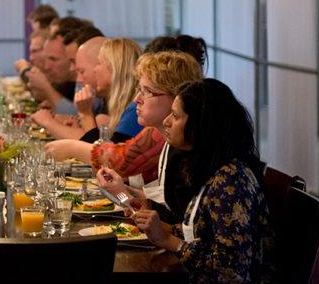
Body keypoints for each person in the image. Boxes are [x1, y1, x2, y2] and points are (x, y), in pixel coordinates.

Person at [108, 79, 284, 284]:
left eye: (176, 117)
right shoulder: (208, 167)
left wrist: (168, 240)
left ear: (201, 126)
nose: (167, 122)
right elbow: (200, 232)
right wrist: (157, 226)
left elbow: (231, 270)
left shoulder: (231, 179)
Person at [45, 51, 203, 201]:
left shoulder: (176, 139)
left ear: (177, 97)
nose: (136, 99)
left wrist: (70, 147)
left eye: (147, 91)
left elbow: (119, 163)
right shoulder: (154, 130)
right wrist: (123, 194)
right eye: (139, 89)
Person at [76, 37, 143, 143]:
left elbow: (105, 157)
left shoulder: (134, 111)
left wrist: (85, 114)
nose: (94, 69)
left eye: (98, 63)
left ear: (114, 69)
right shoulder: (123, 107)